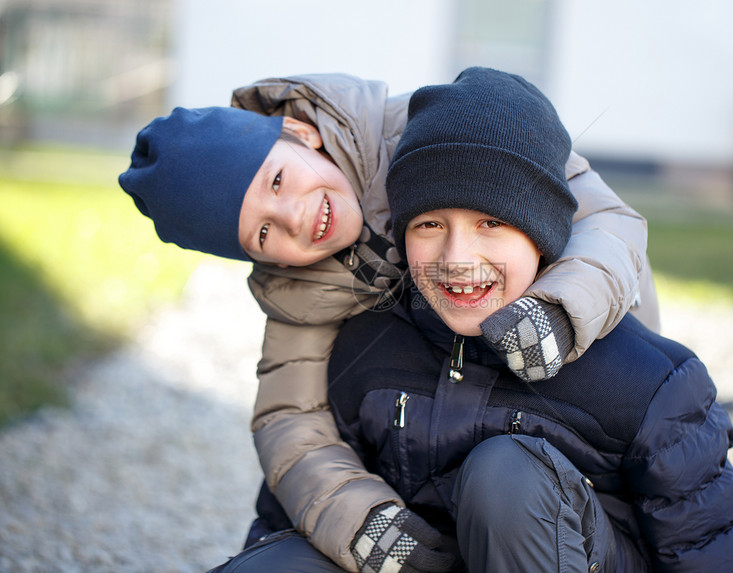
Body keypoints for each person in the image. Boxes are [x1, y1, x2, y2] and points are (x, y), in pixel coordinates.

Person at [119, 71, 661, 571]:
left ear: (298, 132)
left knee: (516, 491)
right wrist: (360, 520)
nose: (295, 218)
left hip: (565, 420)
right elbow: (288, 420)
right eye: (263, 233)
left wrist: (558, 308)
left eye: (278, 182)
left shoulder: (441, 128)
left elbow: (607, 223)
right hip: (435, 459)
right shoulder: (300, 285)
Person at [320, 67, 733, 571]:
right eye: (430, 223)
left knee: (506, 478)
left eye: (491, 222)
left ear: (542, 233)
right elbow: (293, 519)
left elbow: (707, 556)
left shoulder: (648, 383)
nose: (457, 257)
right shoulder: (364, 345)